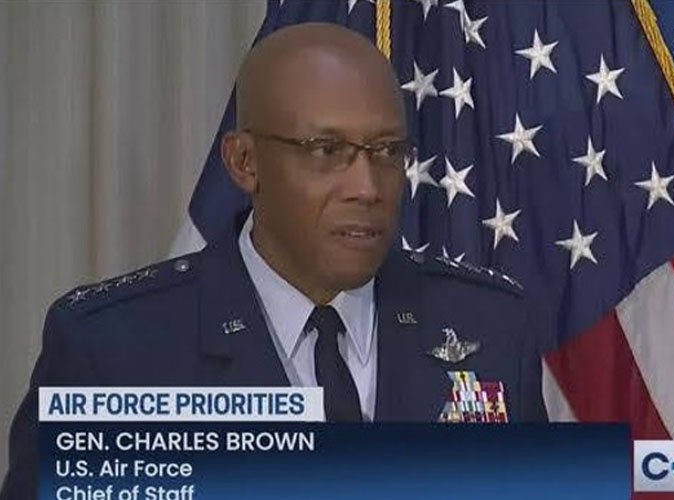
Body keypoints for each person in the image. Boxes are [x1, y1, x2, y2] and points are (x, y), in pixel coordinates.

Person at [1, 22, 548, 499]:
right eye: (326, 151)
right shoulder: (114, 353)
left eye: (386, 152)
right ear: (244, 162)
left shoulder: (493, 329)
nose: (367, 187)